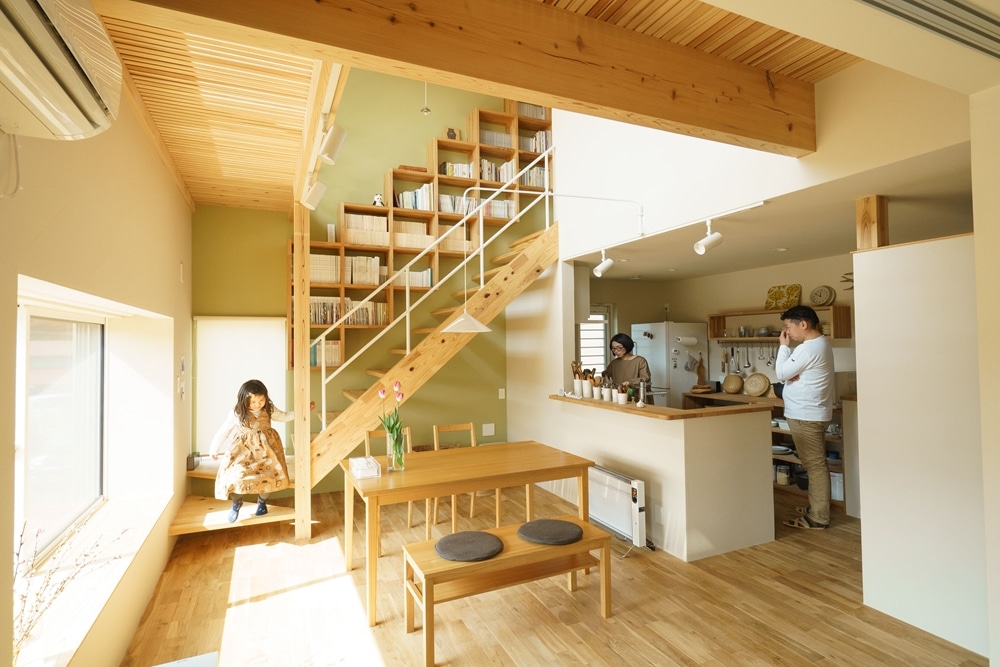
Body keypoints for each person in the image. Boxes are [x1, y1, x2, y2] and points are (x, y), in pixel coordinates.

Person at [209, 379, 310, 523]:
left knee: (271, 477)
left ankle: (262, 502)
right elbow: (224, 430)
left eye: (261, 400)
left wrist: (303, 410)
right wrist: (214, 448)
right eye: (253, 402)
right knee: (236, 477)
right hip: (244, 451)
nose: (258, 405)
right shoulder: (237, 413)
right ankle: (237, 502)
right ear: (244, 400)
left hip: (266, 451)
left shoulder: (269, 409)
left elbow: (284, 416)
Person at [775, 305, 835, 529]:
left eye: (788, 326)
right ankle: (816, 509)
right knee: (815, 464)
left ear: (803, 324)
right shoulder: (821, 344)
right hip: (812, 413)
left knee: (815, 466)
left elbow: (781, 374)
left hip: (806, 415)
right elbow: (787, 375)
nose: (787, 332)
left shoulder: (808, 349)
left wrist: (784, 347)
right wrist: (789, 376)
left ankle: (818, 517)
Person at [605, 333, 653, 404]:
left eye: (619, 347)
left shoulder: (640, 361)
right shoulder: (614, 363)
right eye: (613, 348)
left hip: (640, 399)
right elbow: (605, 375)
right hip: (621, 399)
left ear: (627, 345)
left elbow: (645, 378)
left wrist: (630, 382)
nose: (616, 351)